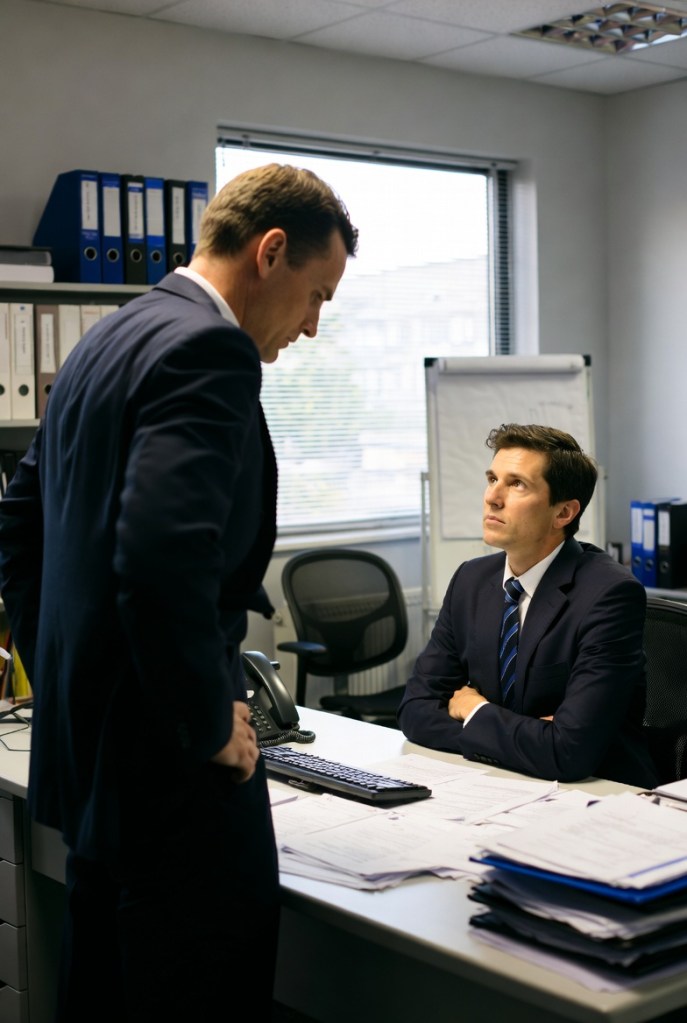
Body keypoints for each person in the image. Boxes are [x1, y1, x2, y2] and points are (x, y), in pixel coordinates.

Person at [0, 163, 358, 1022]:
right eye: (317, 295)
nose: (312, 326)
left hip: (98, 763)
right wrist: (205, 720)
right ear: (269, 251)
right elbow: (163, 555)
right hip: (172, 776)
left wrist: (67, 679)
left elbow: (18, 521)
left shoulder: (110, 336)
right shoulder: (209, 348)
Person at [398, 423, 658, 789]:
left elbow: (568, 752)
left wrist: (475, 711)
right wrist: (532, 736)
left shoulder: (609, 594)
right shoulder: (470, 580)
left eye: (517, 484)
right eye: (493, 479)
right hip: (504, 783)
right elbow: (415, 712)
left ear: (563, 513)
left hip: (598, 792)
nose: (493, 497)